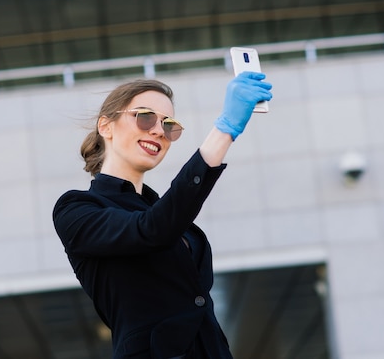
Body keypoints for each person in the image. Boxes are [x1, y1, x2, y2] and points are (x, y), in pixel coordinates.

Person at [53, 71, 273, 359]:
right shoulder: (76, 209)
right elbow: (151, 230)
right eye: (145, 117)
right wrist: (225, 130)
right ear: (106, 126)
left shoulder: (166, 212)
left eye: (169, 125)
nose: (158, 131)